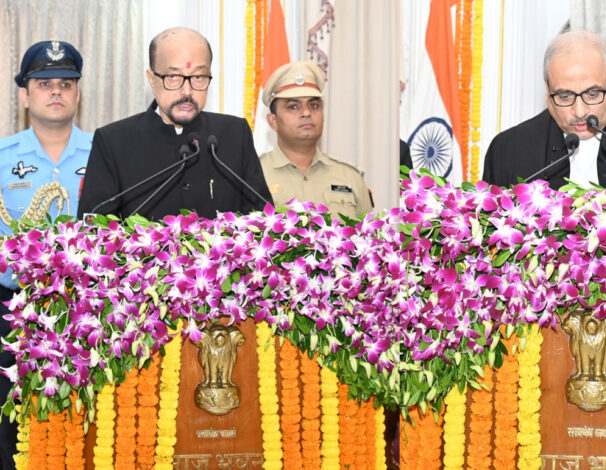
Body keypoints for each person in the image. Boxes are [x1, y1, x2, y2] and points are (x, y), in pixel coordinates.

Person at [0, 39, 91, 470]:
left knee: (87, 421)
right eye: (43, 83)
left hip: (88, 311)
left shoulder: (106, 152)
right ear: (24, 94)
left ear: (77, 93)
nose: (55, 91)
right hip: (14, 311)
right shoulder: (1, 159)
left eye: (65, 83)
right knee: (12, 425)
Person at [78, 27, 273, 221]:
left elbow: (262, 221)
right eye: (173, 77)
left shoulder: (234, 134)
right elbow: (95, 232)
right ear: (152, 79)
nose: (187, 91)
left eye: (198, 77)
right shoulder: (114, 141)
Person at [482, 30, 606, 192]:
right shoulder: (508, 150)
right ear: (547, 91)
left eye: (592, 94)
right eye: (564, 96)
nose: (579, 111)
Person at [259, 60, 372, 219]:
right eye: (293, 106)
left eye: (313, 106)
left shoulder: (350, 177)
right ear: (273, 121)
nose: (306, 113)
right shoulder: (254, 174)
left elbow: (370, 240)